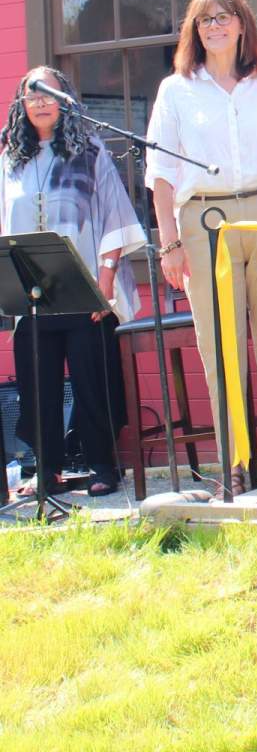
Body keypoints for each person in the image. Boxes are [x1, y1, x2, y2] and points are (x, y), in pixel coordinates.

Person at [146, 0, 257, 497]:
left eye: (225, 16)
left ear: (242, 25)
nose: (214, 26)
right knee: (221, 347)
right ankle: (234, 458)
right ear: (194, 30)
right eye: (204, 19)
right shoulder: (176, 89)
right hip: (204, 219)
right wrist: (169, 242)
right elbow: (161, 170)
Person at [0, 67, 145, 497]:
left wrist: (103, 286)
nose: (41, 101)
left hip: (86, 293)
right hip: (32, 297)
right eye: (33, 94)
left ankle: (103, 465)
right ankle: (46, 474)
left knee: (91, 382)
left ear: (66, 101)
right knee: (38, 389)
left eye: (50, 93)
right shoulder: (10, 162)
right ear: (21, 105)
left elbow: (115, 221)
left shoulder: (91, 152)